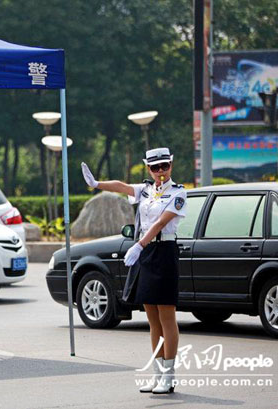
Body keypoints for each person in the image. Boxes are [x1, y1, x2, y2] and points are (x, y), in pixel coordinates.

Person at [81, 147, 187, 394]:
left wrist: (139, 244)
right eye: (155, 167)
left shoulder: (179, 192)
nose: (160, 171)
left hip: (163, 253)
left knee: (167, 316)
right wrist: (96, 183)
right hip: (145, 254)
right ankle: (157, 373)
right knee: (151, 316)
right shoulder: (146, 190)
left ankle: (169, 376)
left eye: (165, 166)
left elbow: (162, 223)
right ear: (148, 168)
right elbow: (121, 186)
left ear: (171, 164)